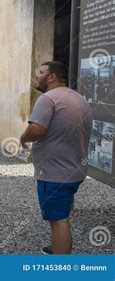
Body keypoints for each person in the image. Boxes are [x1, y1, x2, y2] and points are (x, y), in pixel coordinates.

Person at [20, 61, 92, 255]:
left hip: (55, 175)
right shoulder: (79, 98)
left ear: (51, 77)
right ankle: (57, 247)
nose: (37, 76)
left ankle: (60, 265)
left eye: (41, 72)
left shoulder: (48, 98)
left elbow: (37, 129)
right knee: (62, 213)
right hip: (74, 170)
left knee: (59, 220)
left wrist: (22, 138)